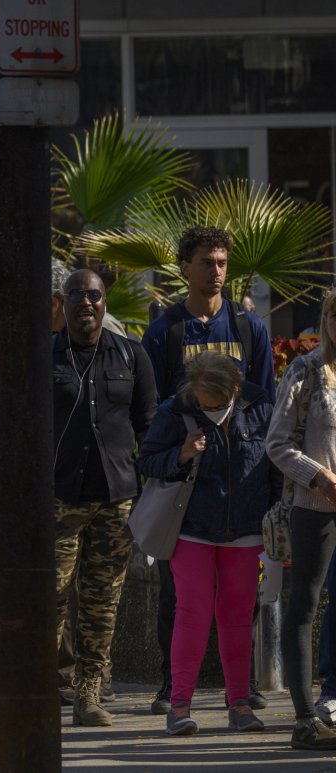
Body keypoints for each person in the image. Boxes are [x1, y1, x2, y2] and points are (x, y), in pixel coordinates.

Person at [140, 226, 275, 714]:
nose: (216, 271)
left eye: (222, 262)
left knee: (242, 604)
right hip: (188, 490)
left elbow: (267, 405)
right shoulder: (166, 331)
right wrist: (175, 453)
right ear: (184, 268)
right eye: (206, 262)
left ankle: (243, 690)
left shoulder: (247, 327)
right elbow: (151, 407)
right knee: (178, 599)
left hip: (241, 488)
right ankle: (169, 688)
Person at [136, 351, 276, 736]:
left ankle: (240, 704)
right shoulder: (175, 410)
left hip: (246, 530)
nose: (211, 409)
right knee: (192, 612)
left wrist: (278, 517)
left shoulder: (261, 404)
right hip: (192, 528)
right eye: (204, 404)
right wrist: (181, 453)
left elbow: (276, 462)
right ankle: (180, 706)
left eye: (218, 404)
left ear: (235, 389)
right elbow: (146, 461)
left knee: (238, 615)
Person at [51, 269, 158, 726]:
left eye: (93, 295)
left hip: (116, 499)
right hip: (58, 500)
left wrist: (151, 481)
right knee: (49, 598)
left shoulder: (132, 355)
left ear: (104, 300)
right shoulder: (44, 355)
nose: (85, 303)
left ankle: (89, 694)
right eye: (76, 295)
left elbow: (148, 424)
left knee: (101, 604)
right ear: (63, 303)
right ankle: (41, 683)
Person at [268, 288, 336, 750]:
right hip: (316, 509)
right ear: (326, 319)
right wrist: (318, 477)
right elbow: (277, 444)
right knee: (304, 607)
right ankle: (306, 719)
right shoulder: (306, 370)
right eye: (335, 313)